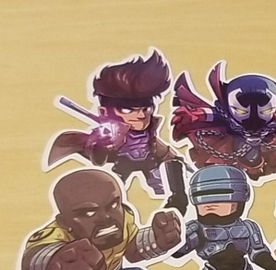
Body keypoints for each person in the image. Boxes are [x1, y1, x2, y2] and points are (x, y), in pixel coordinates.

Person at [47, 50, 188, 213]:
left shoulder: (149, 131)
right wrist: (102, 145)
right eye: (128, 110)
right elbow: (97, 156)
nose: (141, 115)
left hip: (148, 161)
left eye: (146, 108)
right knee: (112, 188)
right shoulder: (110, 133)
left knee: (160, 183)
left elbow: (157, 146)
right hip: (123, 162)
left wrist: (174, 158)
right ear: (104, 112)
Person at [20, 169, 181, 270]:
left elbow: (131, 251)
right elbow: (34, 263)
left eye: (113, 205)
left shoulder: (126, 216)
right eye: (88, 213)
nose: (106, 218)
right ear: (64, 222)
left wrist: (156, 240)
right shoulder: (57, 233)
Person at [172, 59, 276, 180]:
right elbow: (213, 114)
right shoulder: (225, 115)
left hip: (270, 142)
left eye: (266, 110)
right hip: (231, 140)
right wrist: (195, 116)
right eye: (241, 111)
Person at [173, 165, 276, 270]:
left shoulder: (247, 227)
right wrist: (172, 236)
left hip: (242, 268)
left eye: (219, 198)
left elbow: (257, 250)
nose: (210, 206)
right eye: (204, 201)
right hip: (213, 269)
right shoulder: (197, 228)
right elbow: (179, 250)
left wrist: (268, 263)